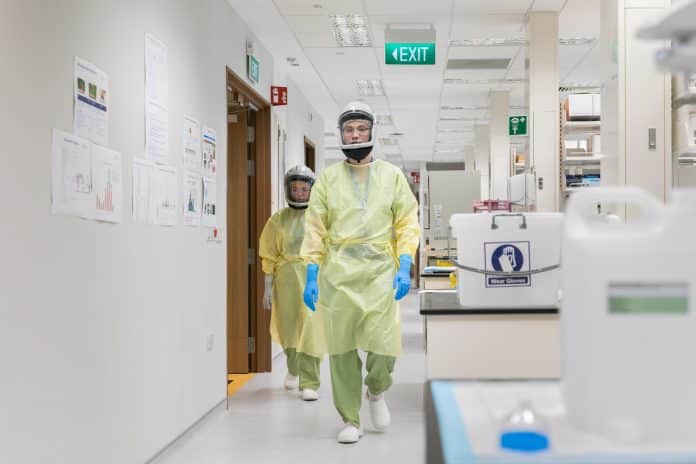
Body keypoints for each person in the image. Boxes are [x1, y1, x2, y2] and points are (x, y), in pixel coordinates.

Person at [301, 101, 420, 443]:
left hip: (380, 272)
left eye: (361, 128)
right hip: (338, 273)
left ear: (372, 133)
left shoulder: (391, 176)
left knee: (384, 346)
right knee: (341, 349)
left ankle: (377, 390)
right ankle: (350, 418)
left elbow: (407, 221)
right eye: (349, 129)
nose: (355, 134)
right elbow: (315, 228)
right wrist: (311, 272)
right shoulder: (327, 179)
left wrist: (405, 264)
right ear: (341, 135)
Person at [259, 165, 323, 401]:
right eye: (295, 189)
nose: (299, 193)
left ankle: (310, 381)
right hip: (285, 280)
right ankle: (294, 369)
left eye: (304, 189)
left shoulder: (319, 218)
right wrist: (267, 287)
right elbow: (269, 253)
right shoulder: (278, 220)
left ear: (311, 190)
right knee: (288, 328)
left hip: (313, 278)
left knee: (311, 328)